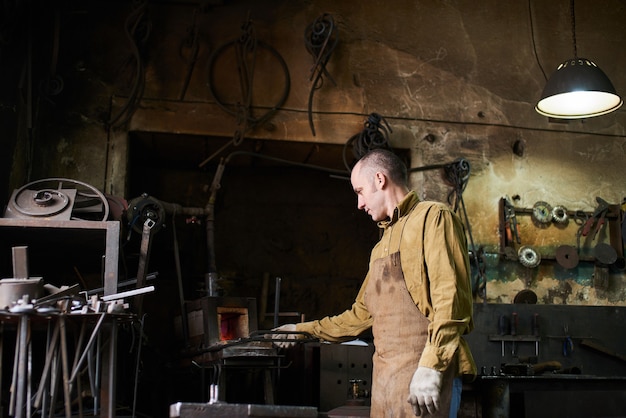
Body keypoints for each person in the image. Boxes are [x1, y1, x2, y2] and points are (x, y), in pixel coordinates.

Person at [271, 148, 476, 417]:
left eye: (359, 191)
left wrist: (431, 367)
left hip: (424, 381)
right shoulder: (380, 249)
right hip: (386, 384)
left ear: (380, 180)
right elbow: (359, 316)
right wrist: (302, 330)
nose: (359, 204)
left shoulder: (433, 217)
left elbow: (451, 301)